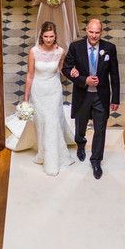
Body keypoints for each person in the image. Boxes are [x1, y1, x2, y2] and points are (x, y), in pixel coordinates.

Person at [62, 18, 120, 179]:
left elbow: (114, 74)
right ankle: (80, 144)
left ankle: (96, 161)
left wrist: (115, 98)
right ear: (86, 30)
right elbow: (66, 68)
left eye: (97, 32)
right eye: (91, 32)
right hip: (82, 94)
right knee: (80, 125)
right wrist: (83, 79)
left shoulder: (110, 48)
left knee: (100, 129)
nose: (94, 36)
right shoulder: (76, 47)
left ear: (101, 32)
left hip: (101, 96)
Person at [24, 20, 76, 176]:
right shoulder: (34, 51)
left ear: (55, 36)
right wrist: (26, 96)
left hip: (54, 90)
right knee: (41, 122)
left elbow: (61, 69)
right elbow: (30, 74)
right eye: (46, 36)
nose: (48, 39)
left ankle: (52, 161)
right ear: (41, 36)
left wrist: (73, 71)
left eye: (51, 36)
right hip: (38, 90)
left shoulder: (60, 51)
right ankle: (42, 153)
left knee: (52, 121)